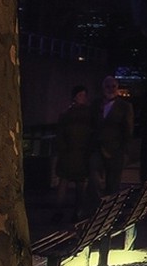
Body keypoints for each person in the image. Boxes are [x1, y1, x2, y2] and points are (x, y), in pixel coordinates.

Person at [53, 84, 98, 214]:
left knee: (80, 183)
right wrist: (63, 148)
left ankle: (78, 211)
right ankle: (59, 211)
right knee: (65, 181)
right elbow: (60, 133)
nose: (82, 97)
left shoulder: (89, 114)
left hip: (82, 152)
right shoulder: (67, 114)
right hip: (69, 152)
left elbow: (93, 132)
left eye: (84, 95)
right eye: (80, 95)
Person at [97, 77, 135, 193]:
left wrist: (124, 150)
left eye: (113, 86)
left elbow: (128, 129)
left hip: (116, 149)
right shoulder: (96, 104)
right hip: (98, 148)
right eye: (108, 86)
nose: (111, 89)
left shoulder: (124, 106)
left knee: (113, 182)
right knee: (95, 179)